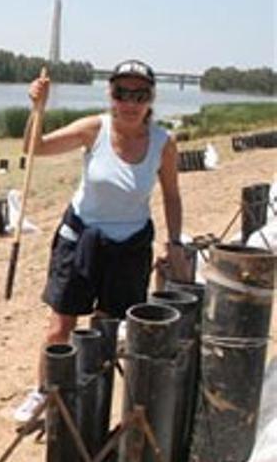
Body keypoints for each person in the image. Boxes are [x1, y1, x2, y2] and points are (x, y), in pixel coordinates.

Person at [13, 60, 189, 422]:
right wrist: (37, 107)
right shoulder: (94, 128)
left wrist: (175, 243)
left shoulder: (162, 142)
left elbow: (172, 195)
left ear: (150, 98)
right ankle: (44, 391)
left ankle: (91, 396)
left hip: (130, 246)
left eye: (139, 94)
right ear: (111, 95)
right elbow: (34, 147)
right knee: (60, 325)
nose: (130, 102)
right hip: (82, 237)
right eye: (121, 92)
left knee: (106, 327)